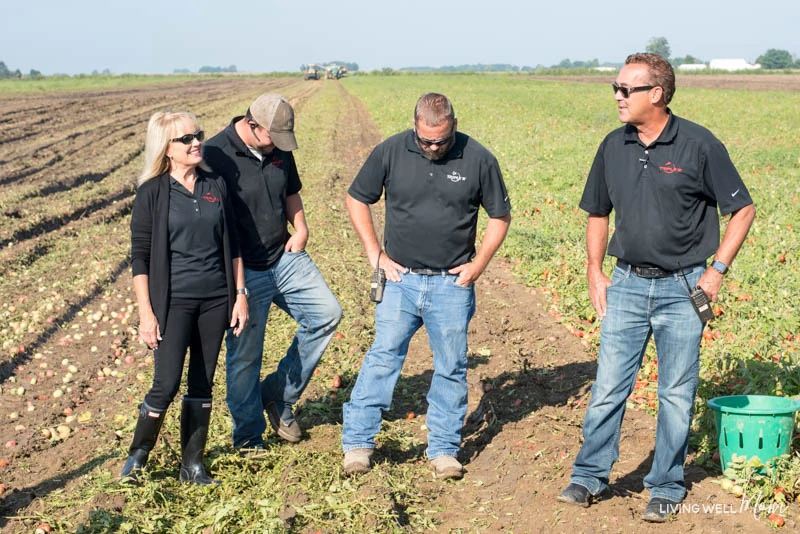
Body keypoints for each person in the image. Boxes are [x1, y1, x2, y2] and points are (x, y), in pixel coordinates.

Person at [557, 53, 755, 522]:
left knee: (675, 393)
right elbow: (597, 212)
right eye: (616, 88)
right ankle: (588, 475)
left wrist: (717, 271)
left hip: (684, 287)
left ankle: (666, 484)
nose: (618, 97)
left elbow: (742, 210)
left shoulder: (699, 145)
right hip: (625, 282)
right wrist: (594, 269)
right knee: (608, 386)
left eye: (627, 89)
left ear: (656, 95)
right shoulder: (613, 145)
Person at [341, 92, 511, 479]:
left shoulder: (478, 157)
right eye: (426, 140)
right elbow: (356, 198)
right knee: (383, 358)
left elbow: (500, 216)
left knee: (451, 366)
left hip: (451, 284)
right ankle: (358, 445)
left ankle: (444, 450)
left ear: (453, 125)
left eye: (442, 140)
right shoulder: (390, 151)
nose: (434, 147)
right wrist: (375, 255)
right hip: (400, 279)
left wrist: (478, 265)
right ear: (414, 126)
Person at [204, 94, 342, 454]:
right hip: (241, 270)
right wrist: (234, 286)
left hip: (284, 256)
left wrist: (301, 228)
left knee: (326, 314)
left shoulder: (278, 147)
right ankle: (248, 437)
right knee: (245, 354)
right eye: (273, 139)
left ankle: (278, 393)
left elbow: (291, 192)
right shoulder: (215, 155)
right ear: (252, 125)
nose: (279, 147)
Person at [122, 111, 248, 485]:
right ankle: (137, 458)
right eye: (186, 138)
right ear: (167, 148)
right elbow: (140, 257)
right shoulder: (153, 192)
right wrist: (146, 313)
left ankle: (192, 464)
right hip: (173, 302)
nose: (196, 142)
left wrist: (239, 295)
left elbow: (233, 244)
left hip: (215, 299)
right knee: (167, 383)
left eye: (198, 135)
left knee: (202, 383)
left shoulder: (216, 184)